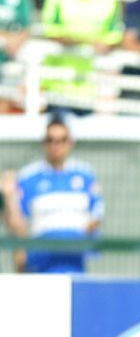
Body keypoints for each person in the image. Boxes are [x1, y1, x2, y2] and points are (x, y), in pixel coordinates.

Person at [1, 116, 104, 273]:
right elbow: (18, 229)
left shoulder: (85, 175)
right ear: (44, 142)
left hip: (75, 265)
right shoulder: (28, 178)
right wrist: (9, 198)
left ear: (70, 142)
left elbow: (96, 217)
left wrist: (72, 241)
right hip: (41, 266)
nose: (56, 146)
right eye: (51, 140)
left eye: (62, 140)